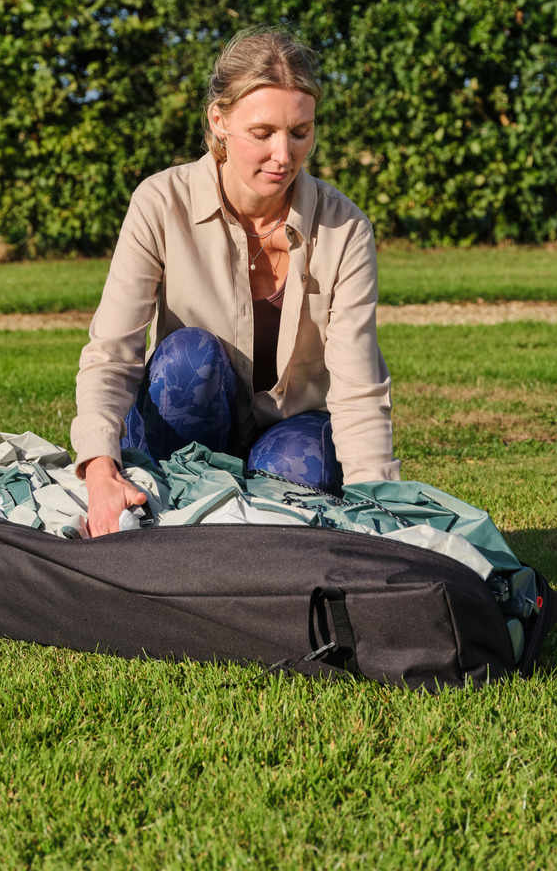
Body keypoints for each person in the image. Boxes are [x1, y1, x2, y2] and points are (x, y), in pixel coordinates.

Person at [72, 26, 399, 537]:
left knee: (304, 474)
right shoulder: (160, 203)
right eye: (262, 133)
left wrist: (380, 511)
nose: (284, 156)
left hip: (289, 431)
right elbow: (112, 352)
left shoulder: (345, 226)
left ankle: (251, 519)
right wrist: (98, 471)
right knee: (187, 358)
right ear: (219, 121)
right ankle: (171, 502)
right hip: (185, 424)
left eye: (299, 132)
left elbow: (358, 387)